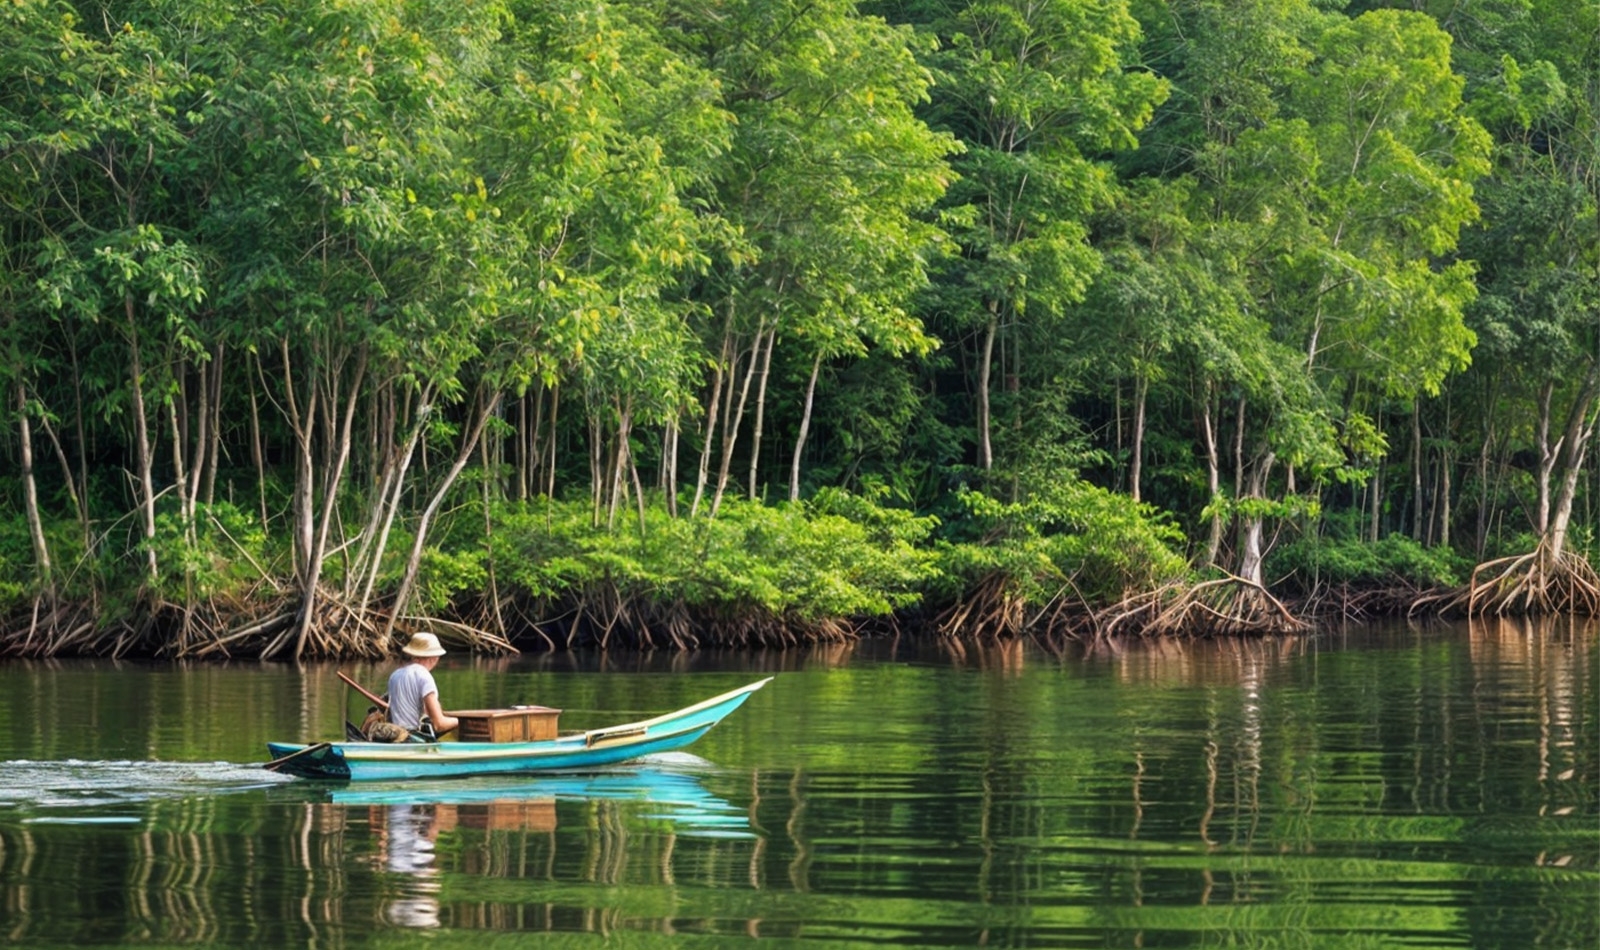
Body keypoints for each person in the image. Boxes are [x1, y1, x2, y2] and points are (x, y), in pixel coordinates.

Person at [384, 631, 459, 739]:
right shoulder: (424, 677)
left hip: (396, 737)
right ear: (434, 658)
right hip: (414, 738)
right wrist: (461, 721)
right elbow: (439, 724)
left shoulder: (394, 676)